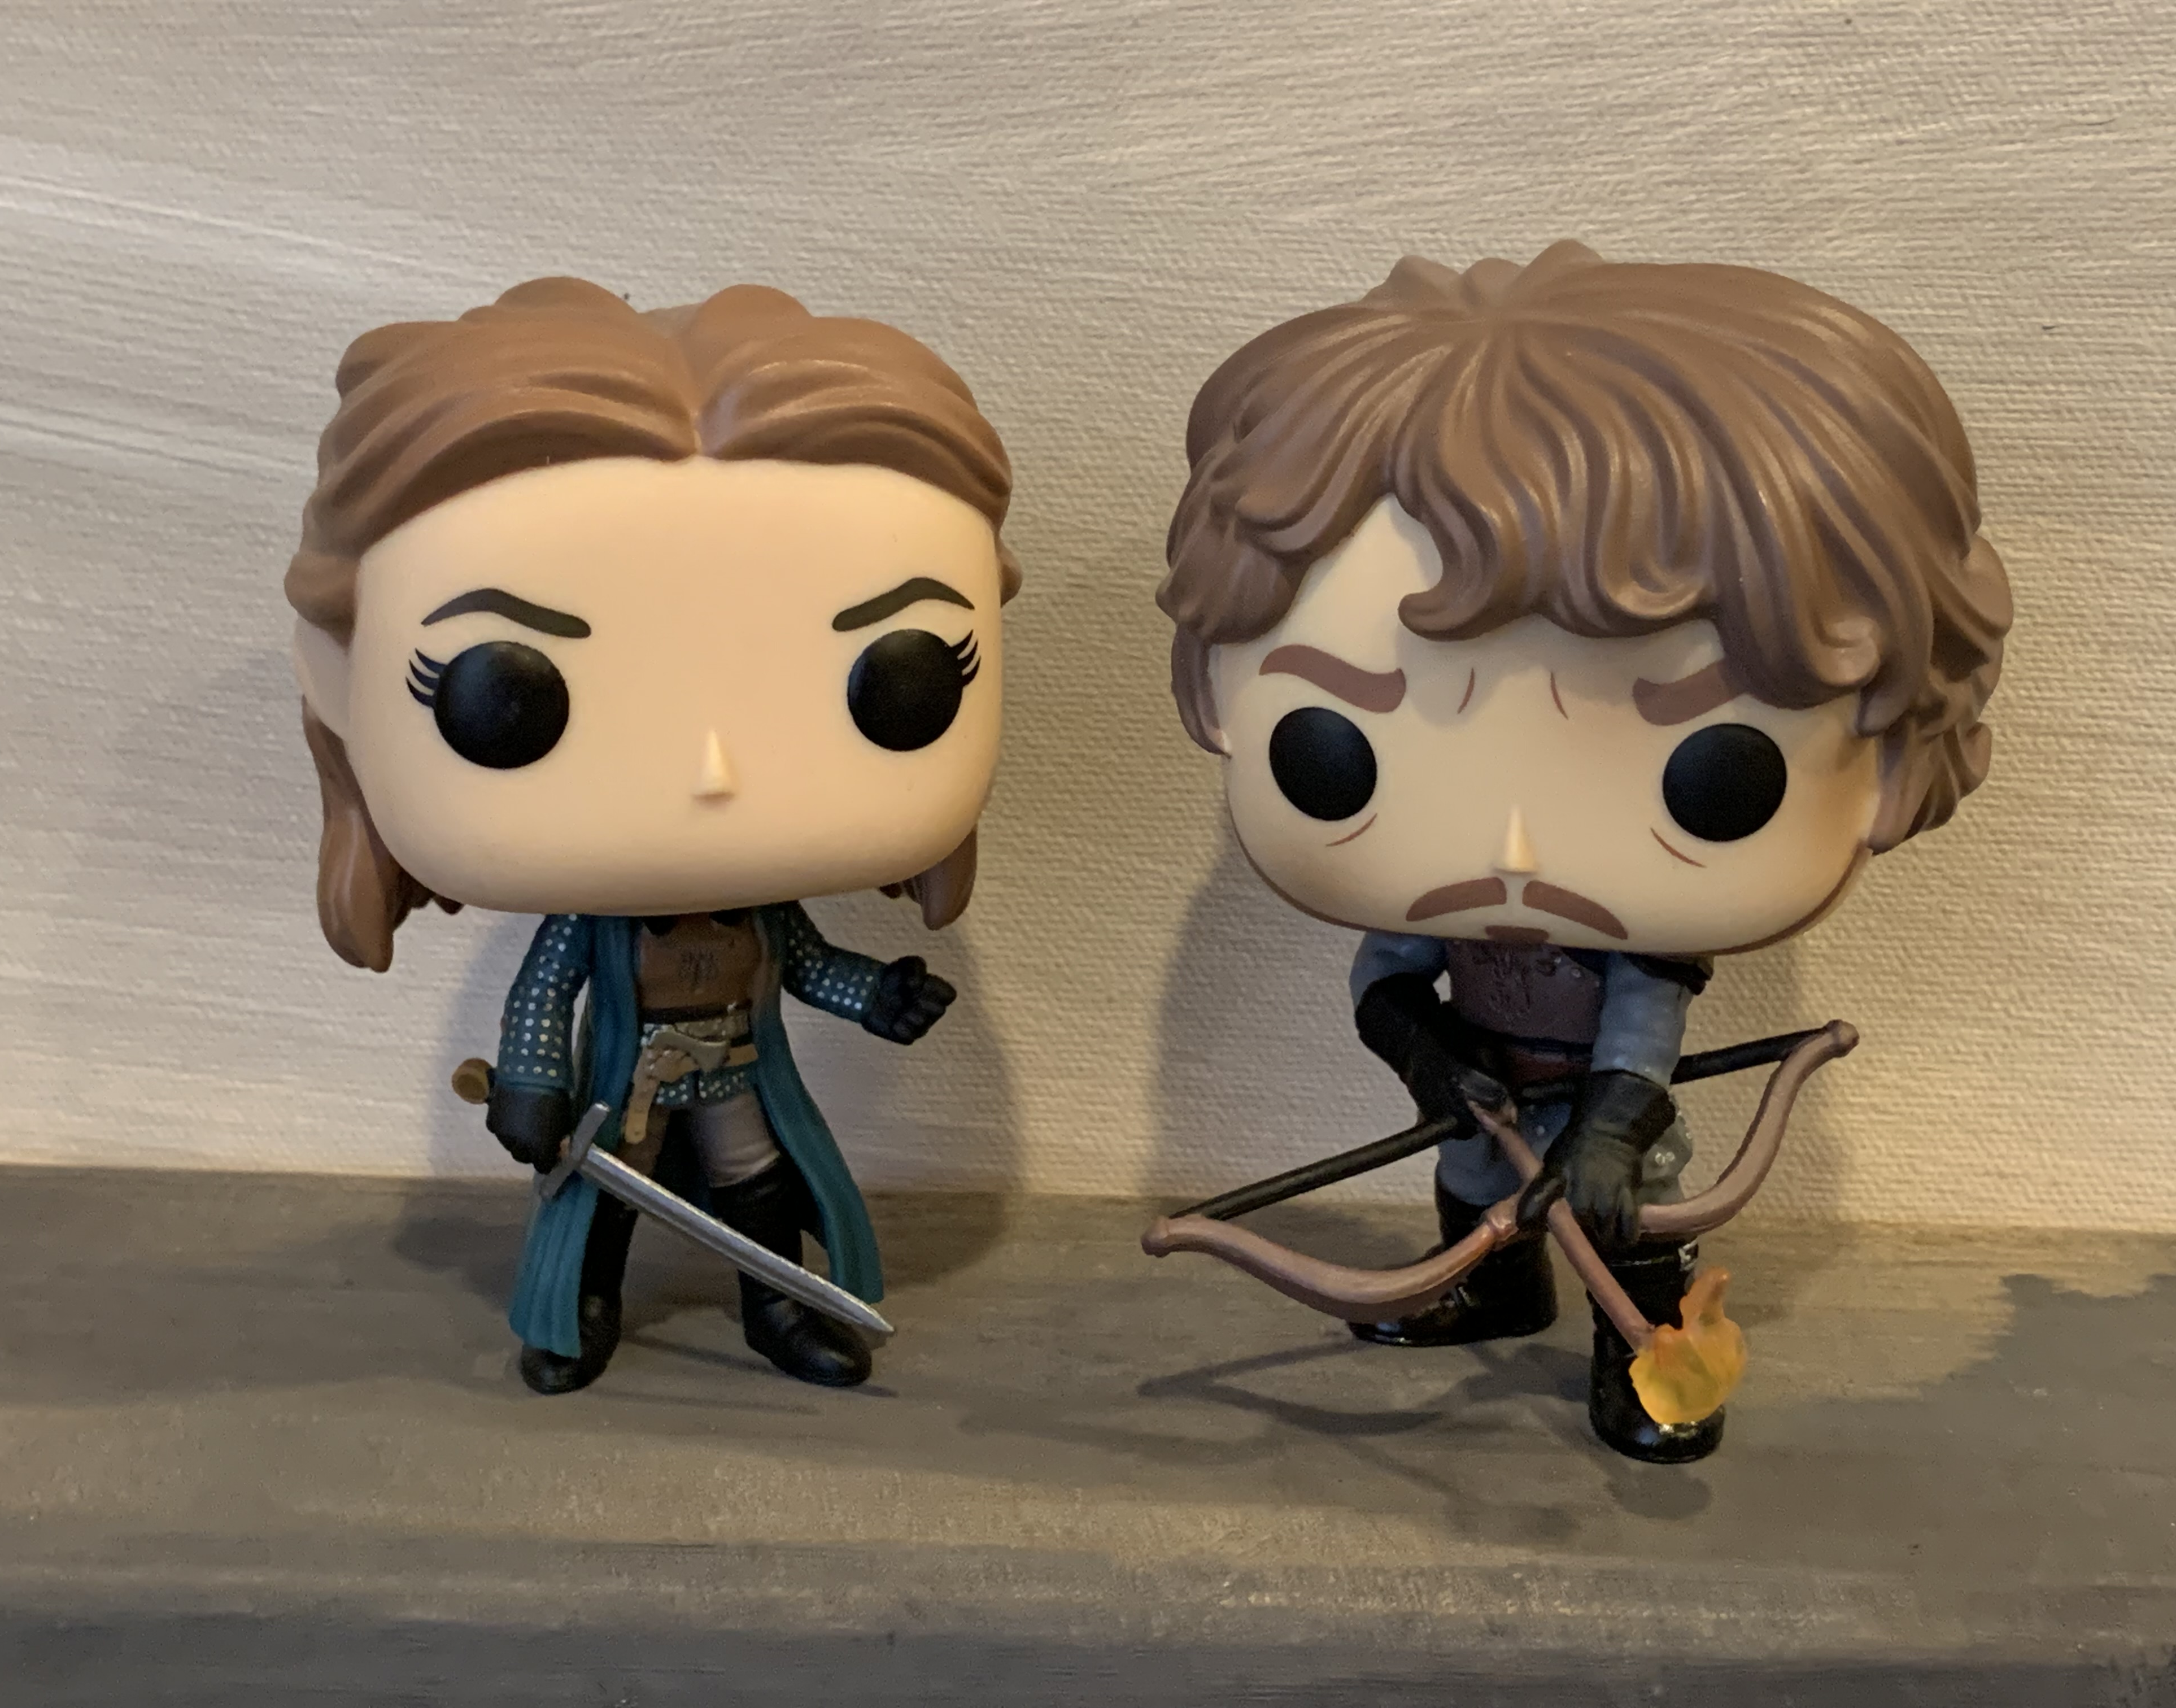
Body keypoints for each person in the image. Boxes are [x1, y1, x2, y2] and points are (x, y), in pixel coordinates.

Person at [1158, 243, 2009, 1459]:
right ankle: (1494, 1290)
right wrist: (1432, 1057)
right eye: (1333, 750)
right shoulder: (1433, 921)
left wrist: (1608, 1130)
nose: (1514, 853)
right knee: (1475, 1192)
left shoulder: (1638, 958)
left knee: (1628, 1225)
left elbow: (1641, 1033)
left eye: (1713, 774)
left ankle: (1640, 1357)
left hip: (1601, 1109)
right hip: (1486, 1092)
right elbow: (1386, 982)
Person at [286, 277, 1015, 1393]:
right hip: (621, 1095)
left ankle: (777, 1306)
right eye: (506, 695)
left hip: (733, 1081)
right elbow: (545, 994)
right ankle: (581, 1306)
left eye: (901, 679)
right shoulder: (597, 928)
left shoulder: (758, 915)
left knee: (759, 1188)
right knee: (603, 1198)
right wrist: (532, 1084)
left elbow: (807, 965)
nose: (712, 776)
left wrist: (881, 997)